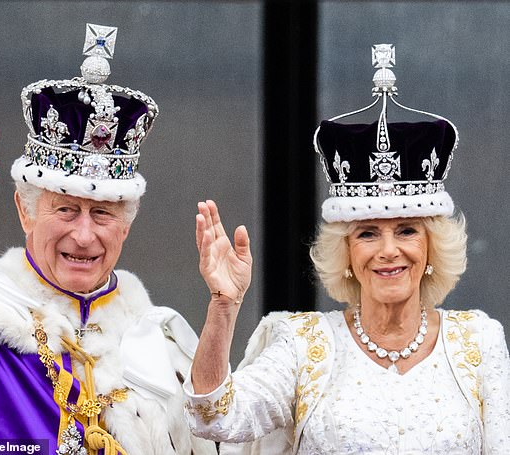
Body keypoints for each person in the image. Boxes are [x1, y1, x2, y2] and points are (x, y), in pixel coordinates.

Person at [0, 23, 217, 455]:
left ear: (126, 226)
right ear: (25, 211)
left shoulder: (157, 343)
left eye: (102, 214)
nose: (84, 234)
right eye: (65, 209)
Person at [184, 45, 510, 454]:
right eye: (368, 233)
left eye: (407, 231)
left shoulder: (478, 342)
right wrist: (223, 304)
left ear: (432, 248)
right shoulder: (303, 344)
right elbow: (213, 417)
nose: (388, 250)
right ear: (347, 254)